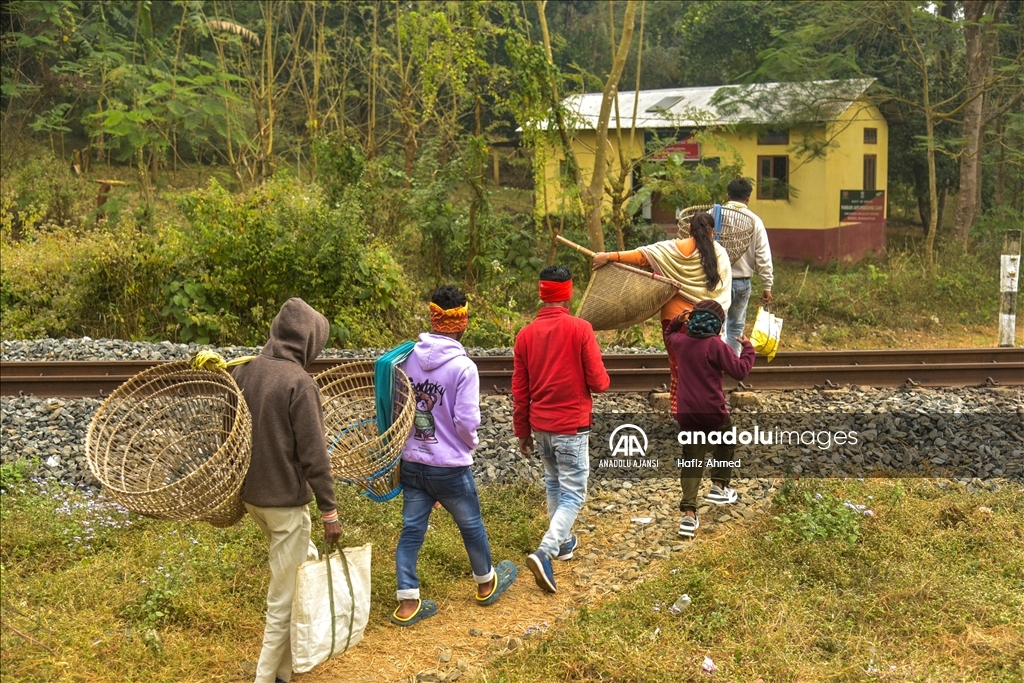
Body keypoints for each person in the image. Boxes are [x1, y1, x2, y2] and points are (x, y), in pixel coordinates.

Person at [392, 285, 518, 626]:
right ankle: (486, 583)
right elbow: (466, 421)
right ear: (462, 323)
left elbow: (398, 407)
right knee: (470, 524)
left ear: (432, 319)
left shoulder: (407, 358)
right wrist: (468, 443)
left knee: (411, 529)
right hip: (448, 466)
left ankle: (407, 603)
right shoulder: (464, 367)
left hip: (413, 461)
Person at [231, 297, 342, 683]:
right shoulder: (299, 382)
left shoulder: (244, 372)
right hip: (284, 504)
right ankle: (266, 678)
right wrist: (330, 511)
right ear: (308, 342)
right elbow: (315, 457)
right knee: (282, 600)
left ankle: (284, 670)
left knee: (296, 569)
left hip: (253, 499)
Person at [513, 265, 610, 593]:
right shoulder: (581, 329)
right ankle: (547, 550)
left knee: (555, 484)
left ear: (542, 293)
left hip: (541, 427)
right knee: (573, 492)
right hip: (572, 426)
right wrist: (603, 378)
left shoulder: (525, 335)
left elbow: (520, 389)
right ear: (568, 293)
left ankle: (565, 543)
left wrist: (521, 430)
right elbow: (598, 382)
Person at [592, 212, 731, 415]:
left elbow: (641, 256)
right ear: (712, 232)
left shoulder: (672, 248)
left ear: (689, 230)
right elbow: (723, 292)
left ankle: (682, 413)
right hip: (711, 322)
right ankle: (710, 412)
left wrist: (609, 256)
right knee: (708, 371)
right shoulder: (720, 254)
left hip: (676, 319)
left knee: (679, 369)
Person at [664, 300, 755, 539]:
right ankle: (719, 485)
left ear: (693, 321)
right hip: (713, 411)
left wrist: (677, 320)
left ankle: (689, 515)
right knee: (726, 441)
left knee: (692, 459)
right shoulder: (716, 346)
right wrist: (748, 348)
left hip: (688, 413)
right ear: (718, 325)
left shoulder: (681, 343)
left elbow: (669, 333)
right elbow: (741, 371)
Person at [723, 178, 774, 356]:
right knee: (736, 327)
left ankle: (716, 366)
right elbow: (763, 256)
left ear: (727, 195)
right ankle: (732, 365)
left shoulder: (713, 215)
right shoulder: (755, 221)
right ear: (748, 198)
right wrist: (767, 286)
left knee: (717, 326)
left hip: (717, 281)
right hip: (742, 283)